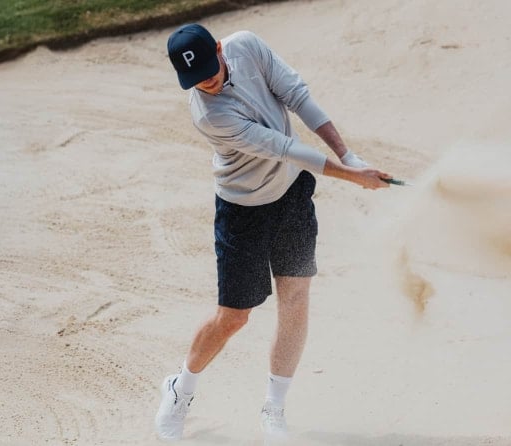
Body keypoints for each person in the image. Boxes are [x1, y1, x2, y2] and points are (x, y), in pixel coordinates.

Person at [155, 23, 392, 441]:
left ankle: (274, 408)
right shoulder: (209, 115)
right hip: (243, 209)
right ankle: (181, 388)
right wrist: (352, 176)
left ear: (219, 49)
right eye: (195, 79)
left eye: (209, 70)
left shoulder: (246, 46)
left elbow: (297, 96)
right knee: (234, 317)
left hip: (292, 195)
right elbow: (284, 148)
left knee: (295, 299)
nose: (206, 83)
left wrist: (347, 154)